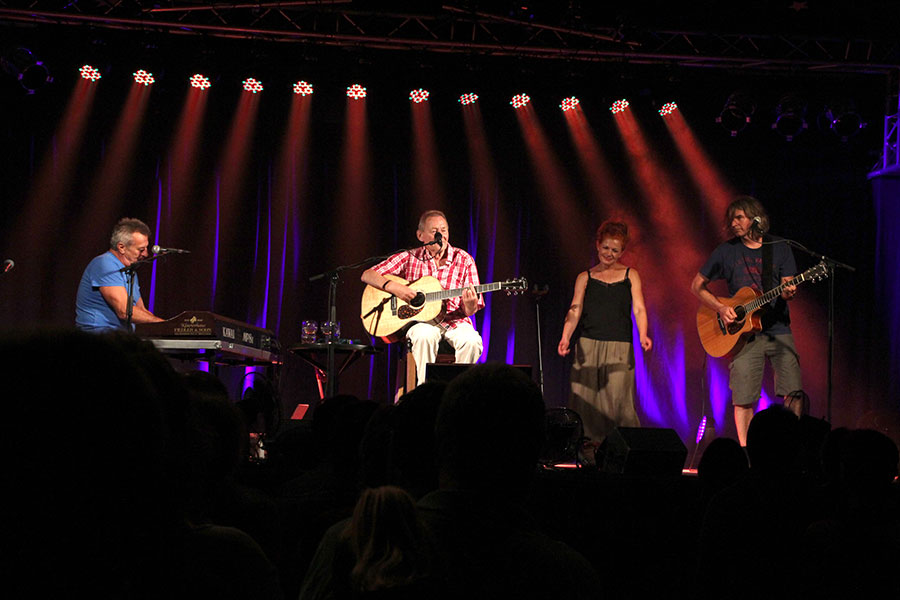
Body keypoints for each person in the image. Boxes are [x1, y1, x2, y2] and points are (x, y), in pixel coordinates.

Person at [690, 196, 802, 446]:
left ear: (755, 218)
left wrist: (788, 291)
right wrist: (720, 308)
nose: (733, 223)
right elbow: (696, 286)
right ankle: (747, 453)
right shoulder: (726, 251)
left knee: (793, 391)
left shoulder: (780, 247)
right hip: (743, 335)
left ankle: (790, 447)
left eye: (739, 217)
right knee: (743, 398)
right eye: (731, 219)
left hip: (779, 329)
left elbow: (787, 288)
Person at [557, 220, 652, 448]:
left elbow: (639, 308)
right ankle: (587, 450)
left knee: (619, 402)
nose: (609, 253)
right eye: (606, 247)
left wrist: (643, 334)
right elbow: (575, 309)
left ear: (622, 252)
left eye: (615, 250)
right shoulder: (585, 277)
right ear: (598, 245)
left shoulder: (630, 275)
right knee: (586, 401)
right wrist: (565, 337)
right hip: (588, 345)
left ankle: (624, 449)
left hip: (619, 346)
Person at [361, 210, 484, 385]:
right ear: (420, 235)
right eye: (434, 231)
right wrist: (396, 288)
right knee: (424, 335)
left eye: (444, 230)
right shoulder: (410, 257)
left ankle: (459, 390)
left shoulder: (464, 259)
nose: (440, 236)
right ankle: (425, 390)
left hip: (455, 322)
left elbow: (470, 311)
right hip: (421, 322)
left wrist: (470, 305)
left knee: (472, 341)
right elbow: (367, 275)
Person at [76, 217, 164, 331]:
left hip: (119, 336)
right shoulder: (105, 263)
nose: (146, 254)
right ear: (121, 247)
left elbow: (141, 311)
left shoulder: (130, 271)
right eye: (141, 250)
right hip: (98, 336)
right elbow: (124, 311)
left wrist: (168, 326)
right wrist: (164, 324)